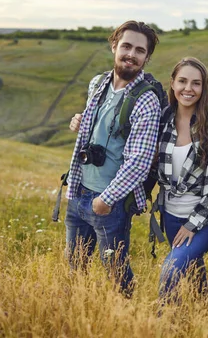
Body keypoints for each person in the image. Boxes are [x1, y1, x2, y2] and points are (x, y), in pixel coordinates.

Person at [65, 20, 161, 297]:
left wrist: (105, 200)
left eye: (139, 50)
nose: (131, 54)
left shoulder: (146, 100)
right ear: (114, 46)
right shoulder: (98, 83)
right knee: (75, 267)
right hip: (79, 189)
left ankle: (126, 318)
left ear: (146, 57)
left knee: (116, 271)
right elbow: (95, 129)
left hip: (109, 202)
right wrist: (79, 122)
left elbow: (139, 162)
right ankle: (79, 314)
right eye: (126, 46)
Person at [155, 57, 208, 302]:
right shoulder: (163, 118)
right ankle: (204, 316)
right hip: (170, 215)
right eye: (183, 81)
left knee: (171, 271)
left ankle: (165, 325)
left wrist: (191, 225)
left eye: (196, 83)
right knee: (194, 274)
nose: (188, 89)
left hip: (205, 218)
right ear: (173, 84)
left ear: (203, 87)